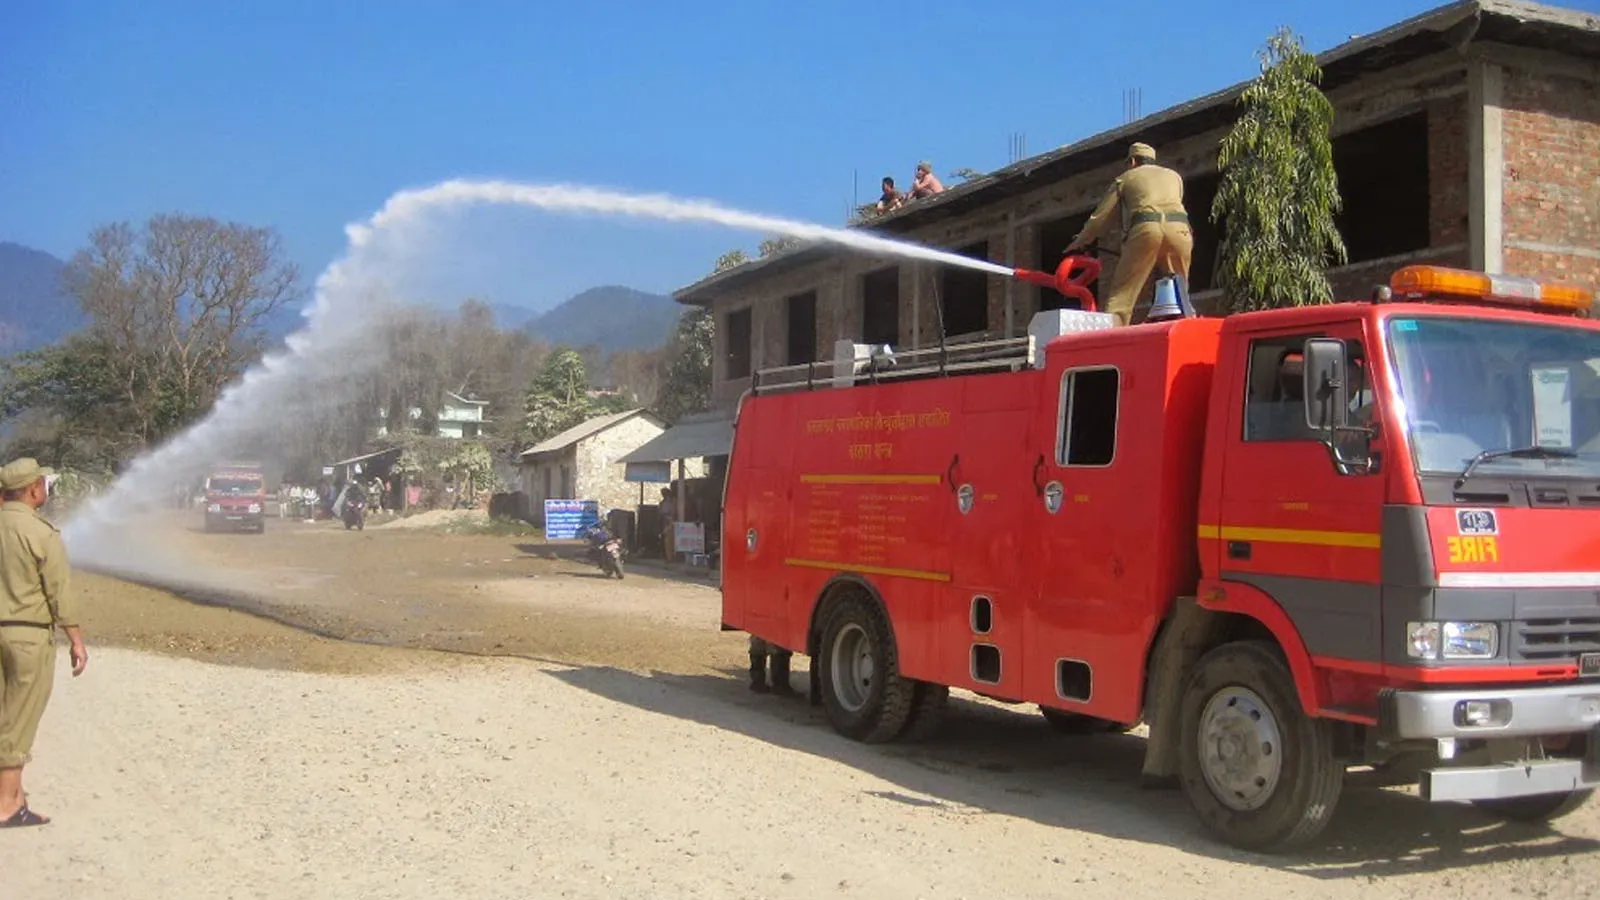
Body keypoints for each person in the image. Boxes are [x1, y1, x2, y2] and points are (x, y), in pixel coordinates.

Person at [0, 458, 86, 828]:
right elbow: (59, 594)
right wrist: (76, 641)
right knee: (20, 717)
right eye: (43, 484)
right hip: (27, 634)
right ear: (33, 489)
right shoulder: (40, 533)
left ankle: (16, 794)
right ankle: (7, 805)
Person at [1066, 142, 1193, 327]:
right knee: (1180, 292)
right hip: (1180, 230)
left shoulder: (1126, 178)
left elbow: (1100, 218)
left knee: (1121, 297)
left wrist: (1080, 240)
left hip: (1146, 228)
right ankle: (1187, 328)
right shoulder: (1175, 177)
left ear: (1132, 161)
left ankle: (1113, 340)